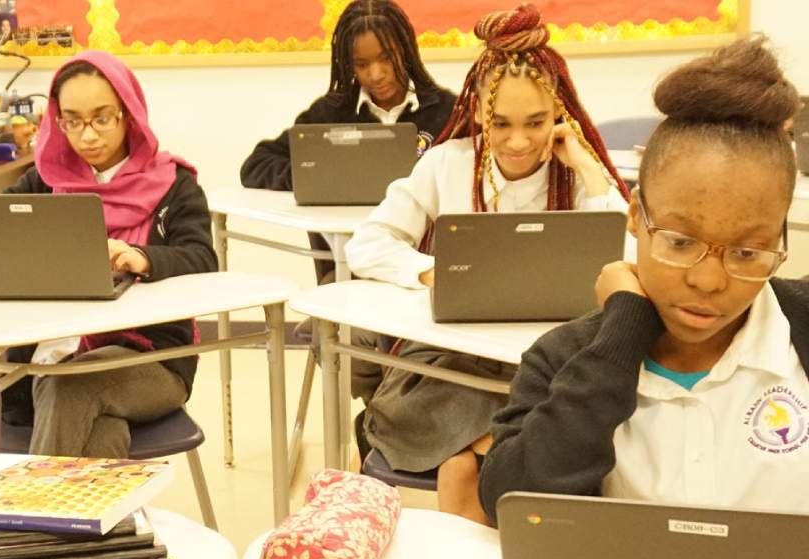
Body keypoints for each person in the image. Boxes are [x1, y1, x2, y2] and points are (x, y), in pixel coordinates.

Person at [479, 36, 808, 523]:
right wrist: (622, 334)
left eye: (747, 252)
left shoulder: (798, 329)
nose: (709, 280)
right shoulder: (567, 356)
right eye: (679, 242)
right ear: (635, 216)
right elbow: (511, 501)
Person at [343, 3, 631, 524]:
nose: (518, 141)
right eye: (500, 123)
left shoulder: (575, 176)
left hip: (545, 359)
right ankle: (487, 461)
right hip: (460, 360)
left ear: (559, 113)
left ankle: (472, 459)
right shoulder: (445, 164)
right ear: (477, 111)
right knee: (433, 394)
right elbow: (366, 242)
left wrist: (588, 167)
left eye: (536, 122)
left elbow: (628, 255)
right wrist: (428, 271)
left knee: (561, 397)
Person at [2, 51, 216, 457]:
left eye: (102, 118)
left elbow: (202, 259)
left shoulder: (173, 185)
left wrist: (144, 257)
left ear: (129, 113)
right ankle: (111, 521)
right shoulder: (43, 183)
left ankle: (33, 517)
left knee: (68, 382)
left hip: (152, 359)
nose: (87, 136)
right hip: (47, 353)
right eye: (72, 121)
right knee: (100, 434)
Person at [240, 0, 456, 282]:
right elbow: (256, 165)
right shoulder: (332, 113)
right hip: (347, 269)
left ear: (406, 50)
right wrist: (314, 176)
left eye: (387, 58)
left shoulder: (447, 111)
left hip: (426, 265)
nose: (376, 74)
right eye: (362, 64)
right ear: (347, 64)